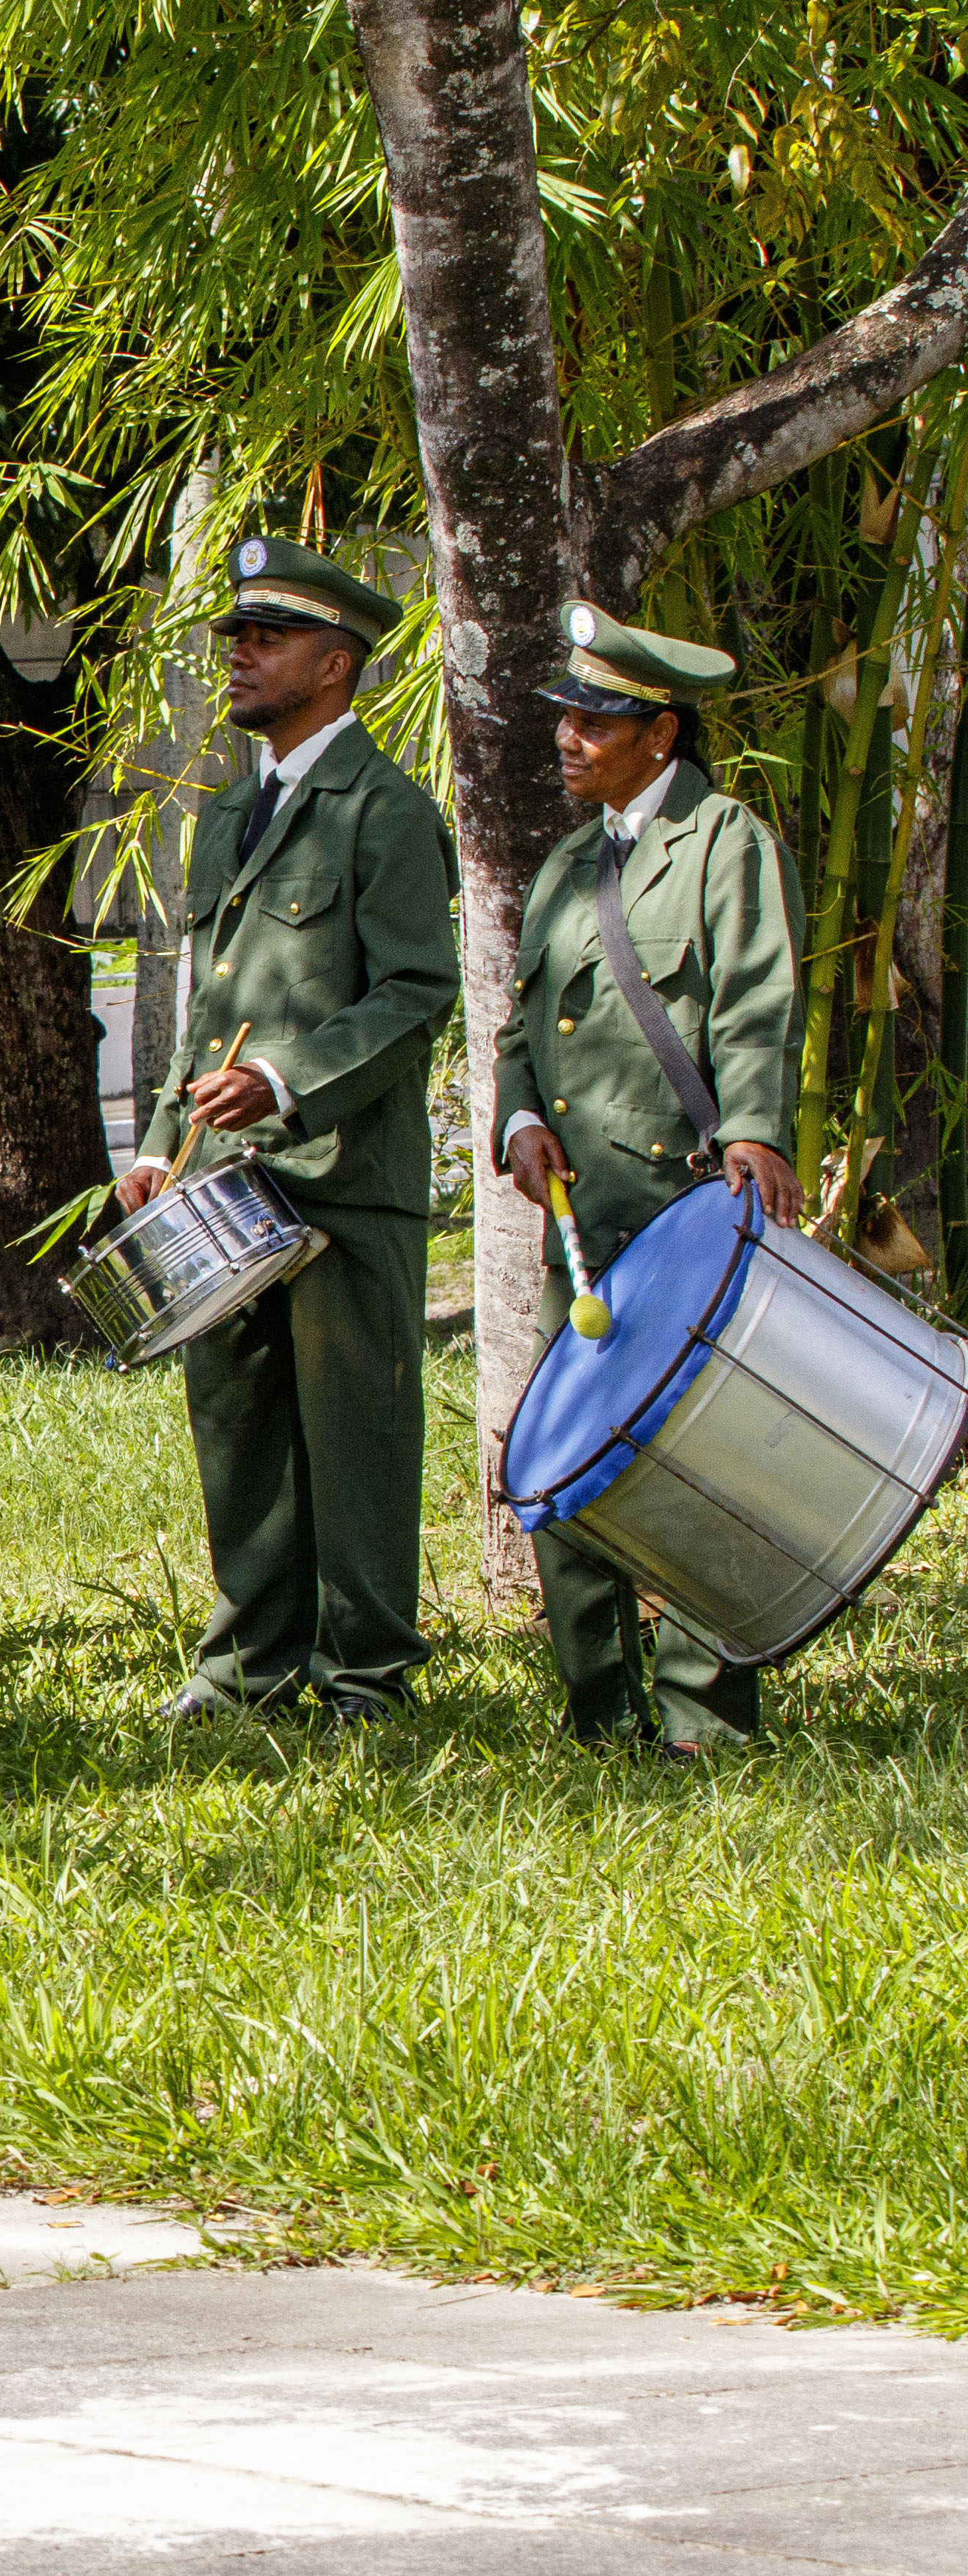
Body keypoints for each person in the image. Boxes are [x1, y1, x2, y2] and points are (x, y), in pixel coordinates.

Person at [116, 539, 458, 1729]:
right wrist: (161, 1137)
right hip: (225, 1176)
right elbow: (210, 996)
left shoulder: (388, 812)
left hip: (342, 1175)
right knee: (239, 1420)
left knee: (354, 1432)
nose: (241, 660)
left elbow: (420, 993)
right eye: (237, 641)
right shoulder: (231, 814)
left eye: (267, 641)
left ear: (337, 663)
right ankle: (248, 1665)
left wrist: (285, 1078)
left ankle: (366, 1672)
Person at [493, 603, 802, 1753]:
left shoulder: (727, 843)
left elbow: (759, 1002)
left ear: (660, 734)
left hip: (690, 1205)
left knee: (700, 1465)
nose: (568, 735)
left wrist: (757, 1133)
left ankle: (703, 1716)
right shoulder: (568, 864)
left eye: (595, 719)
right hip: (580, 1215)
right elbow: (521, 1029)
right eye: (564, 715)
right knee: (563, 1463)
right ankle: (599, 1709)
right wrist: (518, 1118)